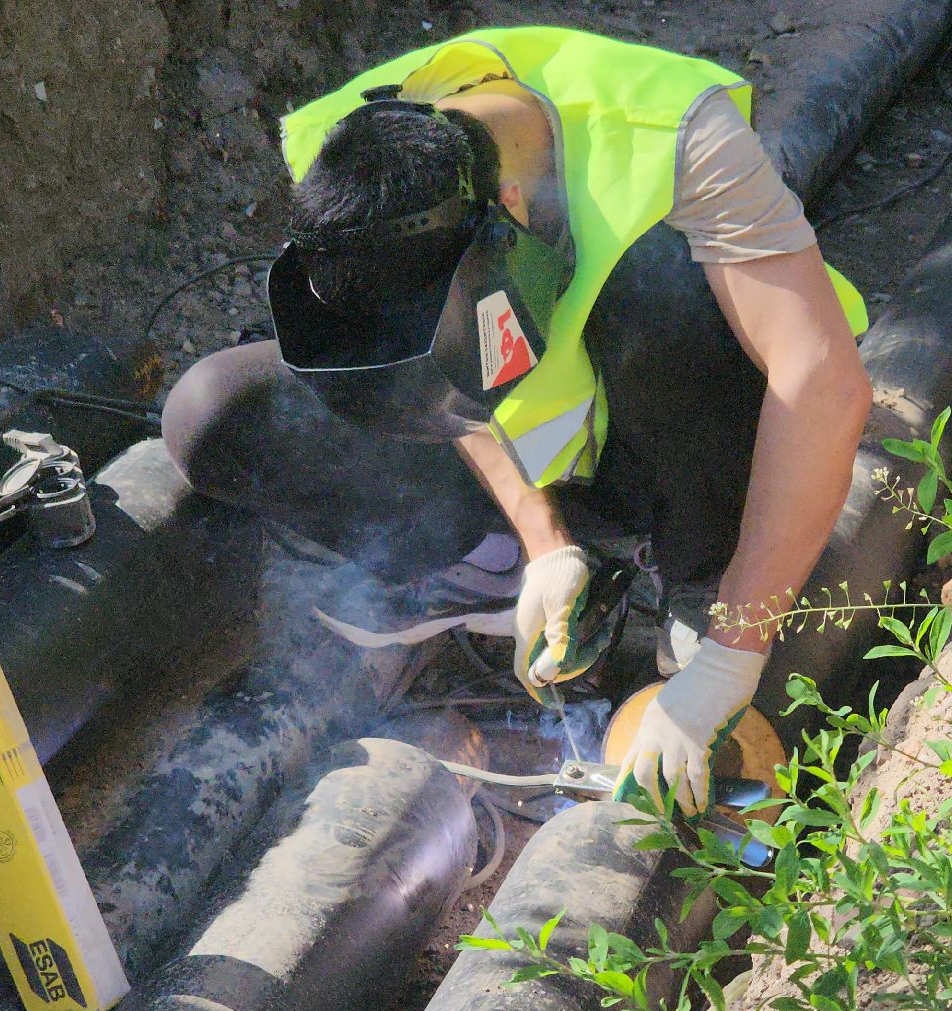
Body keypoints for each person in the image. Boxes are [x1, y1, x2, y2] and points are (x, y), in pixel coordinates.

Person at [161, 26, 870, 816]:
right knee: (215, 412)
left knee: (652, 284)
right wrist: (544, 545)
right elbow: (447, 389)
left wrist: (736, 650)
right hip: (545, 458)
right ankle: (497, 563)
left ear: (506, 207)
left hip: (685, 429)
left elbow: (821, 383)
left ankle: (702, 567)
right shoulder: (350, 170)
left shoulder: (672, 135)